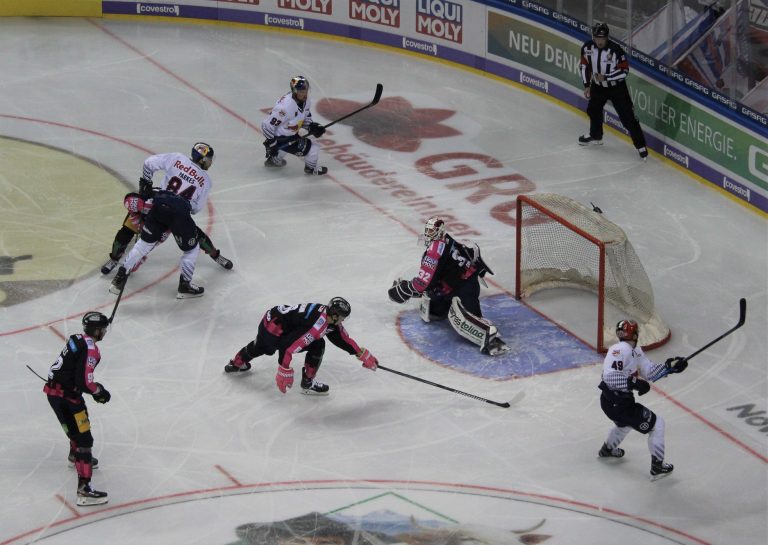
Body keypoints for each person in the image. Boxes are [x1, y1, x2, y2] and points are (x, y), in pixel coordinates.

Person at [109, 142, 223, 299]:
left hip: (159, 204)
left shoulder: (177, 158)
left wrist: (146, 183)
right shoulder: (205, 180)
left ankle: (120, 277)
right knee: (191, 249)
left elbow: (148, 163)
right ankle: (184, 286)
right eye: (209, 159)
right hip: (179, 213)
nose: (210, 162)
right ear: (202, 160)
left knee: (143, 244)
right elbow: (195, 209)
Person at [387, 216, 508, 356]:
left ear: (440, 231)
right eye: (428, 230)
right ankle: (443, 308)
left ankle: (492, 339)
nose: (428, 234)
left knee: (469, 319)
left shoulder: (434, 252)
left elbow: (424, 283)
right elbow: (469, 249)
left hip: (465, 287)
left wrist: (405, 289)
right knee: (433, 312)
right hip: (455, 285)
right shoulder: (446, 239)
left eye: (432, 231)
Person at [223, 297, 378, 396]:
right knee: (264, 347)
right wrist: (284, 368)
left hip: (276, 318)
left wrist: (361, 354)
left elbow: (341, 338)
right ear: (335, 316)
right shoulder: (316, 327)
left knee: (317, 344)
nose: (343, 321)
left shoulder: (327, 316)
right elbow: (288, 347)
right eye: (343, 318)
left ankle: (236, 363)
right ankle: (236, 363)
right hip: (274, 327)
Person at [597, 319, 688, 481]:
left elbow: (650, 372)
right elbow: (609, 377)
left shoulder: (635, 351)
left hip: (613, 402)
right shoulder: (619, 349)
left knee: (624, 424)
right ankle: (657, 466)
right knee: (657, 425)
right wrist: (634, 383)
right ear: (635, 334)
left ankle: (607, 450)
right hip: (618, 402)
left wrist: (670, 366)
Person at [44, 311, 112, 506]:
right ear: (98, 330)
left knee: (74, 432)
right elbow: (84, 383)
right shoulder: (91, 350)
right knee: (84, 440)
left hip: (53, 394)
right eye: (103, 329)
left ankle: (75, 456)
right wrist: (100, 391)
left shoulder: (77, 338)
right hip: (69, 398)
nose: (105, 332)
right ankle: (84, 490)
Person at [100, 179, 232, 275]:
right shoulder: (141, 205)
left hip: (167, 220)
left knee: (196, 234)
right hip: (149, 218)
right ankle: (114, 259)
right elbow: (131, 207)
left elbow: (158, 238)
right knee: (123, 235)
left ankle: (215, 255)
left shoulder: (162, 206)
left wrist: (141, 254)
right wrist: (139, 221)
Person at [578, 23, 648, 160]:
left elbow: (624, 70)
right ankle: (596, 136)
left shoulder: (616, 50)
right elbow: (584, 66)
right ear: (593, 37)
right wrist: (586, 85)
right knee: (593, 109)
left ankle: (641, 146)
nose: (599, 41)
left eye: (602, 38)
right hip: (598, 87)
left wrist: (607, 77)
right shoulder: (587, 48)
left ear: (607, 38)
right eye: (597, 38)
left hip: (617, 88)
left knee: (628, 117)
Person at [262, 76, 328, 175]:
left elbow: (304, 117)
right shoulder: (285, 108)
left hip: (290, 134)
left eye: (306, 90)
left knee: (285, 147)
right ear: (294, 91)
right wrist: (272, 144)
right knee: (313, 148)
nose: (304, 93)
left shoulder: (306, 101)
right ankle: (311, 169)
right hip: (281, 138)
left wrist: (312, 127)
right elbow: (266, 125)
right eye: (301, 91)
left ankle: (275, 159)